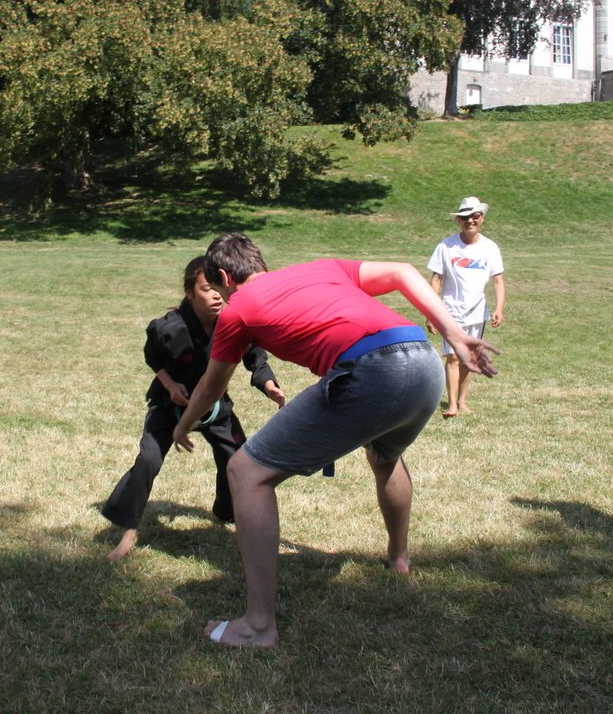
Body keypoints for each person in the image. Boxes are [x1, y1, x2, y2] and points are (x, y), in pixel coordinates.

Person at [173, 234, 498, 647]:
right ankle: (398, 558)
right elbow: (401, 271)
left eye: (218, 289)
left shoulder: (237, 310)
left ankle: (257, 626)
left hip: (372, 370)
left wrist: (184, 424)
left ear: (223, 276)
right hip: (423, 361)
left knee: (245, 472)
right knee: (385, 454)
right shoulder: (322, 267)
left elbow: (210, 387)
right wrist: (454, 334)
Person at [102, 256, 285, 562]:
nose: (215, 295)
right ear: (189, 293)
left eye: (217, 288)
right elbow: (153, 357)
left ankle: (228, 513)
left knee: (238, 459)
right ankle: (128, 530)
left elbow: (255, 357)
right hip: (169, 404)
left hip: (214, 406)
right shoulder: (166, 328)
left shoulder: (234, 322)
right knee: (148, 458)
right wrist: (170, 385)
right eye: (205, 289)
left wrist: (267, 384)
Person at [426, 196, 505, 416]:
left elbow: (498, 279)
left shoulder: (490, 247)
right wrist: (431, 312)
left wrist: (499, 308)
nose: (470, 220)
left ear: (482, 219)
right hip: (450, 311)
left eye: (475, 216)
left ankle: (462, 401)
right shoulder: (446, 246)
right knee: (452, 357)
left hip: (478, 313)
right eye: (465, 217)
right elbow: (436, 280)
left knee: (469, 359)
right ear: (459, 221)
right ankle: (451, 405)